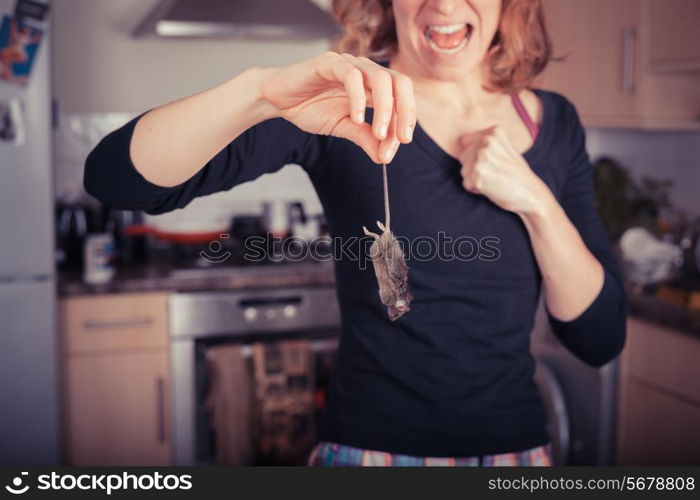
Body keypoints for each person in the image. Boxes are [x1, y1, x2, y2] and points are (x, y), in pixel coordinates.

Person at [84, 0, 627, 467]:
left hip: (514, 453)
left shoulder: (554, 123)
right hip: (368, 451)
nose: (443, 4)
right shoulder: (344, 98)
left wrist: (534, 199)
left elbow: (598, 339)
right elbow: (117, 181)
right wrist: (261, 92)